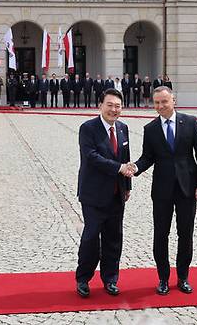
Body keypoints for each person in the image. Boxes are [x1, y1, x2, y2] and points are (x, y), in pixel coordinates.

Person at [130, 86, 197, 296]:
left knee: (185, 234)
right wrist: (136, 167)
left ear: (173, 100)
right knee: (161, 235)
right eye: (156, 103)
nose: (160, 106)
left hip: (187, 187)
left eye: (164, 102)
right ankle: (163, 278)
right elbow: (148, 157)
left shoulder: (190, 122)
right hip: (162, 190)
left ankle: (183, 277)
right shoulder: (151, 128)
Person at [75, 88, 132, 298]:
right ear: (100, 105)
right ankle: (83, 278)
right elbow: (91, 157)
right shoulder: (88, 128)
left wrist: (127, 187)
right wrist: (118, 168)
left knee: (114, 239)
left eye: (117, 106)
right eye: (110, 105)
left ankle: (110, 279)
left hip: (117, 194)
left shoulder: (123, 128)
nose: (113, 110)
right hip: (93, 195)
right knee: (91, 238)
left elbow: (126, 157)